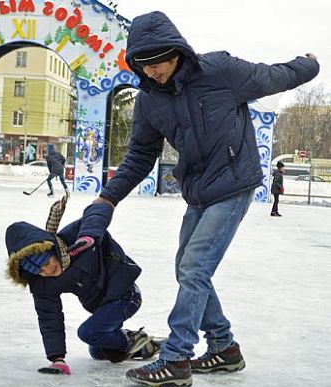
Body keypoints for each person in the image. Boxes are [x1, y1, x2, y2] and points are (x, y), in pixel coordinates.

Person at [86, 11, 319, 387]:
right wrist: (106, 200)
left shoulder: (221, 71)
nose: (151, 73)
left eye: (157, 62)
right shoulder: (149, 102)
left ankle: (177, 358)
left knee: (194, 268)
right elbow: (139, 159)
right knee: (187, 267)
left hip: (233, 184)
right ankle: (225, 348)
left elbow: (275, 76)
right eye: (142, 66)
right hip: (197, 191)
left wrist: (308, 65)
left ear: (176, 51)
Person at [5, 196, 165, 376]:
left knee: (88, 332)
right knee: (98, 352)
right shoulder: (42, 283)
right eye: (39, 270)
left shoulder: (76, 239)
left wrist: (90, 235)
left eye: (47, 262)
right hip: (100, 307)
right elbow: (49, 317)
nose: (48, 271)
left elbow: (97, 213)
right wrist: (57, 359)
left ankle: (129, 340)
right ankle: (147, 346)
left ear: (51, 249)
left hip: (126, 295)